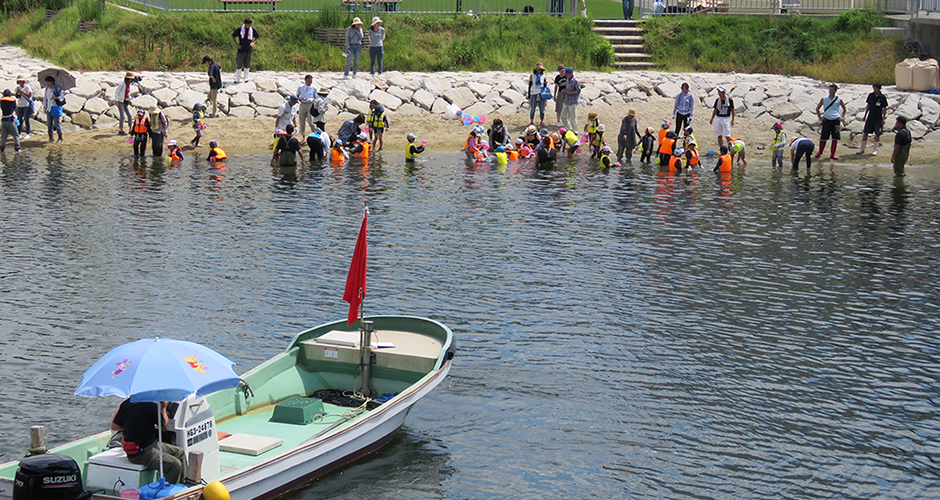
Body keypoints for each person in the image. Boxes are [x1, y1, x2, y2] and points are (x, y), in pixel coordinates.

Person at [111, 399, 188, 485]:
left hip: (143, 447)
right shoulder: (151, 407)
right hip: (142, 453)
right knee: (174, 465)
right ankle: (169, 494)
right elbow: (164, 427)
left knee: (180, 452)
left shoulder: (126, 403)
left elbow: (115, 426)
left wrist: (134, 428)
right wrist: (164, 408)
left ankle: (182, 485)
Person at [814, 83, 846, 160]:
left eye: (832, 90)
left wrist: (842, 117)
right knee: (823, 137)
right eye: (829, 90)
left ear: (835, 91)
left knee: (835, 138)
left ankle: (832, 154)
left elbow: (844, 109)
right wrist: (820, 117)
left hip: (836, 120)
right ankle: (820, 152)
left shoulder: (839, 99)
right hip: (827, 120)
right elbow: (817, 108)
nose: (830, 91)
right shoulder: (824, 99)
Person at [858, 83, 888, 156]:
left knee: (877, 133)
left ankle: (875, 150)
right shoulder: (871, 95)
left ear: (879, 88)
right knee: (865, 132)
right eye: (874, 88)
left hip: (878, 117)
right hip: (870, 116)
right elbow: (868, 105)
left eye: (876, 88)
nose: (875, 90)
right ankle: (862, 149)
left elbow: (884, 108)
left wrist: (884, 118)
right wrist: (865, 115)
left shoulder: (882, 97)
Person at [231, 19, 258, 84]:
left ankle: (246, 77)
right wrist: (237, 44)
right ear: (246, 24)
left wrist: (253, 43)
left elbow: (257, 36)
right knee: (239, 64)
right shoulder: (240, 29)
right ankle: (237, 78)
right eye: (249, 24)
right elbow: (233, 36)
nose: (250, 25)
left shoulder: (252, 30)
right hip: (241, 49)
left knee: (247, 64)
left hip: (248, 49)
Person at [709, 85, 734, 149]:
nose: (719, 94)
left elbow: (732, 110)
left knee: (727, 135)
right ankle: (721, 149)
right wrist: (712, 118)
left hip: (726, 118)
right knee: (719, 134)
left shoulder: (729, 100)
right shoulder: (718, 100)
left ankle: (730, 149)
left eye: (721, 92)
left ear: (724, 92)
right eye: (719, 92)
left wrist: (733, 119)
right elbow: (715, 110)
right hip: (718, 117)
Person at [43, 76, 64, 144]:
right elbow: (45, 98)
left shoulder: (57, 88)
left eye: (48, 81)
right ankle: (50, 137)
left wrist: (56, 98)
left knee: (56, 123)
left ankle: (60, 137)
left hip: (55, 107)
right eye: (46, 81)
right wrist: (45, 106)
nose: (47, 83)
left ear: (52, 82)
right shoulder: (46, 89)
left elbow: (62, 97)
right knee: (49, 123)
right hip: (49, 108)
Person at [527, 63, 548, 127]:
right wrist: (529, 94)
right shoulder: (532, 76)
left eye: (540, 69)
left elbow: (544, 85)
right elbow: (530, 85)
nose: (539, 71)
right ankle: (531, 120)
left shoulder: (543, 76)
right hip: (534, 93)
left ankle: (542, 120)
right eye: (538, 69)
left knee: (542, 108)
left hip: (541, 93)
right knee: (533, 107)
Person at [561, 68, 580, 132]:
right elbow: (567, 88)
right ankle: (569, 129)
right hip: (566, 100)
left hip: (573, 101)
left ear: (571, 73)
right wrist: (565, 91)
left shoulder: (576, 81)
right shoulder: (567, 80)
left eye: (567, 74)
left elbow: (578, 91)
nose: (566, 75)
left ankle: (575, 131)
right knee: (563, 116)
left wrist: (570, 93)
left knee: (573, 118)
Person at [14, 75, 32, 140]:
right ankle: (19, 133)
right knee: (19, 119)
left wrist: (23, 92)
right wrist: (18, 92)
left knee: (26, 119)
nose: (19, 82)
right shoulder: (17, 88)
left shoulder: (27, 87)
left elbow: (29, 95)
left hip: (26, 105)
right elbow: (17, 97)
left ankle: (28, 133)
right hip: (20, 105)